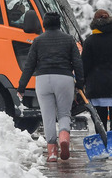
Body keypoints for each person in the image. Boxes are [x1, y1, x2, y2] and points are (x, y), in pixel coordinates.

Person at [17, 12, 84, 162]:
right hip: (64, 78)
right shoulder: (68, 40)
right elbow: (77, 63)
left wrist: (22, 86)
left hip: (43, 79)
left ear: (45, 25)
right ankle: (64, 137)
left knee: (47, 115)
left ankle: (52, 152)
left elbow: (29, 65)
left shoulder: (38, 41)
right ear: (59, 24)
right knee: (64, 113)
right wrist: (80, 82)